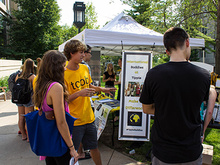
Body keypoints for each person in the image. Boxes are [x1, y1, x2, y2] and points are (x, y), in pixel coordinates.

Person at [140, 27, 210, 164]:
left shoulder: (154, 74)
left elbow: (146, 109)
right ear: (187, 43)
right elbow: (199, 105)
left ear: (167, 51)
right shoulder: (204, 76)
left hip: (163, 151)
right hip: (191, 151)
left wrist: (166, 108)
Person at [63, 39, 116, 165]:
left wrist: (102, 89)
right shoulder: (63, 73)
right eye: (81, 52)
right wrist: (79, 94)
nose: (83, 55)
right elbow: (62, 100)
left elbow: (89, 85)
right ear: (71, 53)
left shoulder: (84, 68)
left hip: (89, 117)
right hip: (74, 121)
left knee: (94, 147)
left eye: (84, 52)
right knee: (72, 152)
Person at [33, 50, 79, 165]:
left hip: (48, 139)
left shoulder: (42, 84)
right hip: (59, 139)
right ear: (56, 67)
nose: (65, 69)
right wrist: (72, 148)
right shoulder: (56, 87)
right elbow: (61, 122)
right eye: (63, 66)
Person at [15, 58, 35, 142]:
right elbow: (35, 89)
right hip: (28, 100)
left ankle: (23, 135)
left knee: (21, 117)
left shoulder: (18, 75)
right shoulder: (32, 76)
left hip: (19, 99)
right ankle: (29, 137)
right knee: (28, 119)